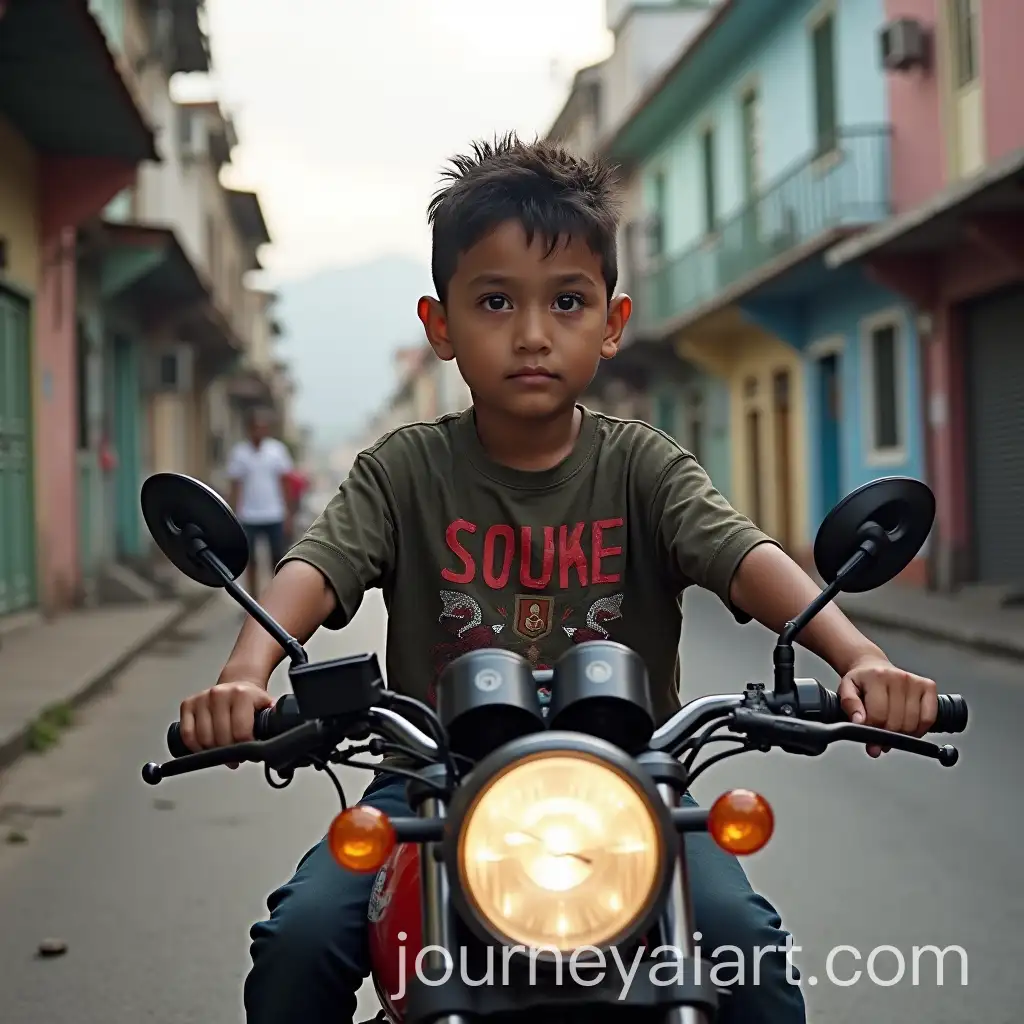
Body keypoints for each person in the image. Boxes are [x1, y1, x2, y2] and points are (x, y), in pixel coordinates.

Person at [178, 134, 939, 1024]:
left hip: (631, 785)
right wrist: (243, 677)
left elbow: (744, 557)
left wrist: (859, 659)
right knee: (299, 944)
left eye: (568, 301)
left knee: (749, 957)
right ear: (441, 327)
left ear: (612, 323)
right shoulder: (404, 471)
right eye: (495, 301)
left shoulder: (643, 467)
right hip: (427, 782)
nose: (533, 333)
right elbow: (312, 569)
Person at [225, 409, 294, 598]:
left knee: (277, 559)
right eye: (256, 428)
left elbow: (285, 483)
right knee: (251, 562)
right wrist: (231, 515)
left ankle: (277, 598)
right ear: (249, 429)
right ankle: (253, 600)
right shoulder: (240, 453)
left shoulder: (277, 451)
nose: (259, 431)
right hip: (248, 515)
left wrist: (288, 513)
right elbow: (235, 486)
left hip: (274, 514)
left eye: (263, 428)